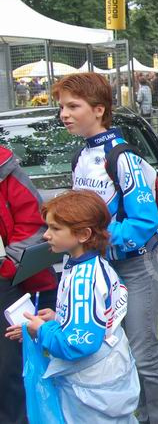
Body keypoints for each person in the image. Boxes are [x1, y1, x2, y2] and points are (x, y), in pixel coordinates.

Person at [52, 73, 158, 424]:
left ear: (99, 110)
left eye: (73, 106)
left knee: (142, 349)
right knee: (117, 349)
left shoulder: (122, 157)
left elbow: (144, 222)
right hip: (103, 268)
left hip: (139, 266)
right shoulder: (82, 156)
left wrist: (95, 239)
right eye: (62, 106)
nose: (64, 113)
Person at [5, 190, 140, 423]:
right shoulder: (90, 263)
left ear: (83, 234)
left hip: (91, 389)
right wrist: (59, 319)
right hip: (110, 375)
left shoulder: (82, 280)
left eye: (55, 229)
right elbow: (96, 316)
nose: (46, 235)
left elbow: (79, 344)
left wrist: (42, 330)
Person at [0, 145, 57, 424]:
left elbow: (33, 223)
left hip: (4, 281)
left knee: (7, 367)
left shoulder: (6, 169)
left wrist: (8, 266)